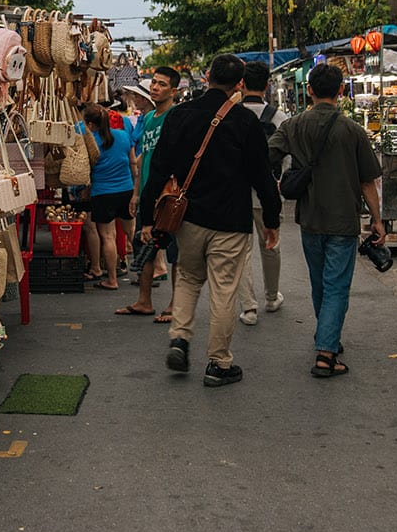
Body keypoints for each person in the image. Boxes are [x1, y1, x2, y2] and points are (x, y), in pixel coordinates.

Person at [138, 55, 280, 388]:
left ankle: (180, 339)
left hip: (187, 218)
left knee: (188, 277)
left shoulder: (179, 116)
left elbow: (157, 170)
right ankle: (219, 362)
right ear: (240, 84)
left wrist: (147, 217)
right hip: (231, 219)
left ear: (206, 76)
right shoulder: (245, 122)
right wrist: (271, 220)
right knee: (224, 288)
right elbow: (263, 176)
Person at [269, 63, 383, 379]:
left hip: (310, 218)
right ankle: (326, 354)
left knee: (320, 282)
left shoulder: (292, 125)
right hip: (343, 219)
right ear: (342, 91)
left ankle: (327, 336)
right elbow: (367, 182)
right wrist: (377, 219)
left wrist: (279, 181)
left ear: (309, 91)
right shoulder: (353, 131)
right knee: (336, 286)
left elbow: (268, 155)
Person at [116, 69, 179, 320]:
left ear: (173, 91)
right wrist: (135, 193)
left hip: (169, 196)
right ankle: (144, 301)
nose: (155, 87)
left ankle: (176, 305)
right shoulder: (150, 117)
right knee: (144, 247)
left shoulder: (175, 117)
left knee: (175, 252)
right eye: (153, 83)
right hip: (147, 193)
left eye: (161, 84)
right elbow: (143, 160)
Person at [235, 60, 284, 325]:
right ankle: (272, 296)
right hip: (269, 192)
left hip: (238, 193)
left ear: (241, 84)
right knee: (271, 245)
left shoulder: (230, 114)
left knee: (242, 251)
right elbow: (286, 160)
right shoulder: (278, 117)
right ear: (267, 85)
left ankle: (249, 307)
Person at [83, 103, 137, 291]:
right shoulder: (122, 136)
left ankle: (112, 279)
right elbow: (132, 163)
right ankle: (146, 273)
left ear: (90, 124)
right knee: (132, 233)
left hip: (103, 192)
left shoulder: (90, 141)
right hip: (126, 189)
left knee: (108, 236)